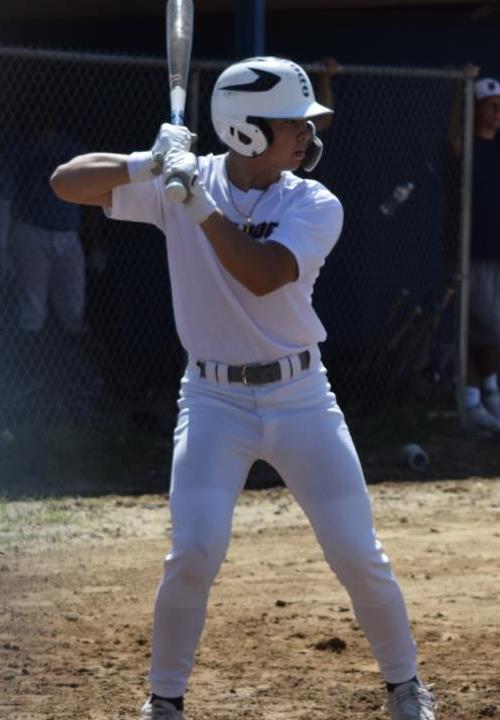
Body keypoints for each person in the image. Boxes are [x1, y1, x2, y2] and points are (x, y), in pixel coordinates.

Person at [50, 56, 436, 720]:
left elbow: (261, 274)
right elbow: (65, 183)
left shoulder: (313, 202)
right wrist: (146, 163)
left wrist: (194, 205)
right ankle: (164, 701)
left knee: (356, 553)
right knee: (194, 551)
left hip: (302, 396)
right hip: (212, 401)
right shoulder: (182, 178)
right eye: (293, 125)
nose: (308, 136)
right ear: (247, 131)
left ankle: (406, 687)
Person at [450, 69, 500, 431]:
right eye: (490, 106)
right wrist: (459, 88)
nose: (496, 113)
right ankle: (473, 400)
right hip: (472, 253)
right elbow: (453, 135)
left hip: (496, 253)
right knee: (481, 326)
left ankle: (491, 393)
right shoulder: (464, 146)